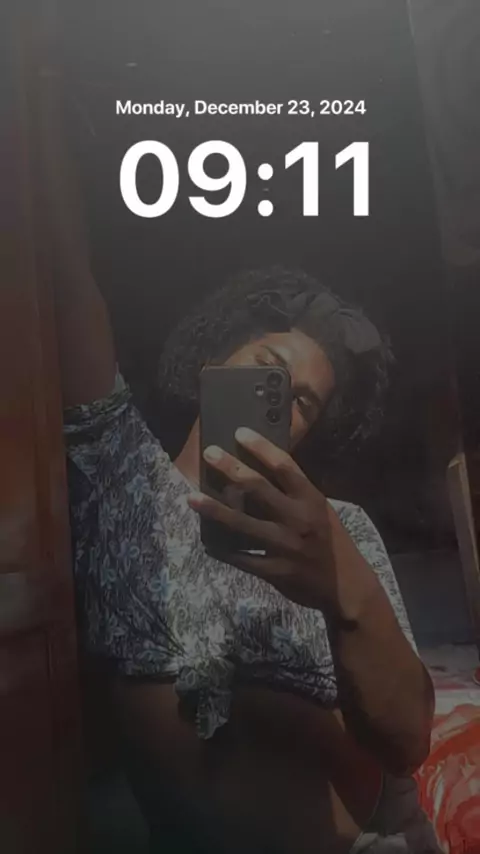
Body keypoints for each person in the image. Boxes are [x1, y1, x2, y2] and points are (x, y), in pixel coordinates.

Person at [38, 74, 441, 854]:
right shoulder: (125, 481)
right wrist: (34, 71)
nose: (280, 401)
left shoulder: (336, 527)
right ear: (213, 362)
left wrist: (342, 586)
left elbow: (406, 742)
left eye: (303, 402)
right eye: (266, 370)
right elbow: (63, 276)